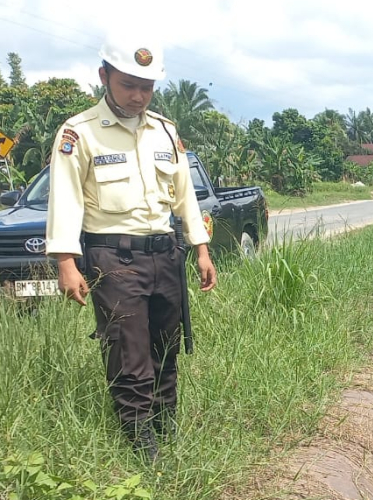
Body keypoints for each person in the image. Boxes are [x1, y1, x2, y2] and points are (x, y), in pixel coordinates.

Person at [45, 33, 217, 461]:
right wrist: (66, 262)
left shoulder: (164, 131)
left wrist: (201, 248)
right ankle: (142, 447)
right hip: (113, 257)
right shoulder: (79, 133)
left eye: (147, 87)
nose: (139, 96)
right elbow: (63, 199)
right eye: (129, 85)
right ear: (104, 76)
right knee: (129, 352)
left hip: (166, 255)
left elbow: (184, 195)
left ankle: (166, 428)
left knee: (166, 348)